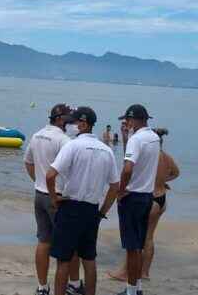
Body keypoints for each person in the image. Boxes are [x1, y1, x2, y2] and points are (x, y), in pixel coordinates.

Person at [46, 106, 120, 295]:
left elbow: (50, 175)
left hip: (71, 207)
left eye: (72, 122)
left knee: (63, 259)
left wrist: (54, 199)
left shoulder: (72, 145)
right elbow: (114, 186)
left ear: (83, 124)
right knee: (89, 259)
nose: (69, 125)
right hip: (91, 209)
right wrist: (103, 211)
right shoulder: (107, 150)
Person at [23, 104, 84, 295]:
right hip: (57, 198)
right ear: (59, 119)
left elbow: (28, 162)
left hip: (40, 195)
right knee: (69, 244)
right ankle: (73, 284)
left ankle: (42, 288)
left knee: (43, 241)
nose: (72, 122)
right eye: (68, 119)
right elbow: (73, 171)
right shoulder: (64, 140)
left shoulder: (37, 135)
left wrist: (39, 181)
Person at [108, 128, 179, 282]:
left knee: (136, 239)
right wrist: (163, 181)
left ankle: (125, 272)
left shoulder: (149, 156)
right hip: (162, 199)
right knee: (148, 237)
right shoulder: (166, 157)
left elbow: (130, 167)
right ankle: (145, 272)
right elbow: (176, 173)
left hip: (150, 198)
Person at [114, 104, 161, 295]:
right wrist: (126, 138)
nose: (126, 123)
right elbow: (135, 160)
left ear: (135, 119)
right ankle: (137, 287)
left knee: (131, 248)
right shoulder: (154, 138)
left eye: (128, 119)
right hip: (146, 196)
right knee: (139, 245)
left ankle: (131, 291)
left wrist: (120, 190)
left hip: (132, 196)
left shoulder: (137, 139)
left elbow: (127, 168)